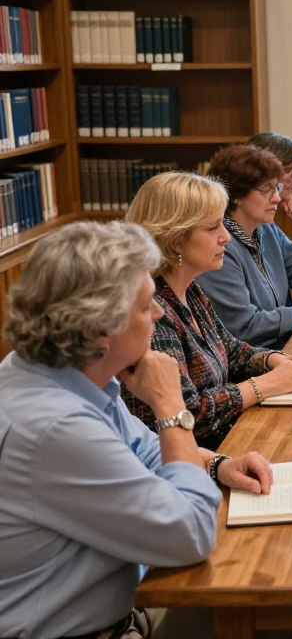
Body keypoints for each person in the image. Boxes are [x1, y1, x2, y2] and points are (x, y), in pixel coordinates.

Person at [0, 220, 273, 639]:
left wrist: (218, 465)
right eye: (146, 307)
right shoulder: (55, 426)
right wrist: (169, 405)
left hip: (129, 604)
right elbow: (190, 534)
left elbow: (146, 452)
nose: (160, 313)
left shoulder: (59, 375)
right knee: (263, 599)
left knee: (268, 609)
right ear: (100, 327)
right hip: (85, 631)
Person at [123, 171, 292, 449]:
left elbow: (231, 349)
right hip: (192, 458)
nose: (226, 237)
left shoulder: (190, 289)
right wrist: (264, 386)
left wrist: (275, 360)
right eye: (213, 227)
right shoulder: (150, 310)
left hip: (224, 443)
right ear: (176, 238)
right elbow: (187, 416)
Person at [197, 144, 292, 350]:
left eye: (276, 188)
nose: (276, 197)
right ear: (237, 195)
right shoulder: (220, 246)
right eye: (267, 190)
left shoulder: (266, 230)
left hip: (285, 347)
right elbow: (243, 327)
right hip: (253, 361)